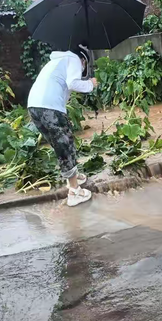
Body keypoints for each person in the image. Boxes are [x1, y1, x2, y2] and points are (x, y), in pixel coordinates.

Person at [28, 45, 98, 207]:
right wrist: (90, 84)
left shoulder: (55, 61)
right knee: (65, 146)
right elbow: (73, 83)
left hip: (34, 107)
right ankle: (74, 191)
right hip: (49, 107)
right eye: (84, 67)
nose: (82, 70)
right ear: (83, 60)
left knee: (59, 144)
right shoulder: (73, 59)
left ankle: (73, 176)